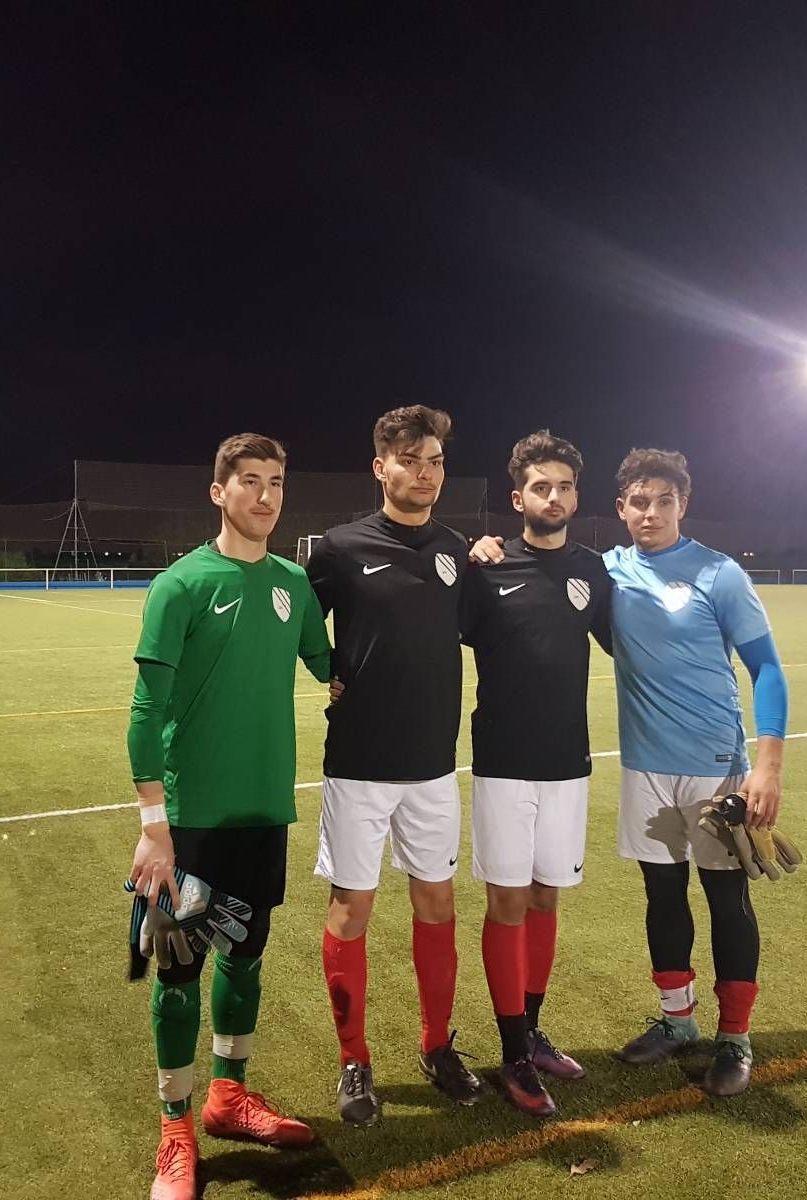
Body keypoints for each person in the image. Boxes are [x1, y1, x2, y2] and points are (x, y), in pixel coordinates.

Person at [127, 433, 333, 1200]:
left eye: (276, 482)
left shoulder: (291, 581)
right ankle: (175, 1129)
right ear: (219, 492)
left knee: (244, 960)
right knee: (180, 974)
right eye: (250, 482)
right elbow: (146, 711)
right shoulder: (181, 584)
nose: (266, 497)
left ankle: (227, 1097)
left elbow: (328, 664)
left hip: (262, 812)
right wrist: (154, 823)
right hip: (194, 821)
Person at [306, 404, 481, 1127]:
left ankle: (437, 1046)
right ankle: (355, 1061)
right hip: (358, 766)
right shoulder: (340, 548)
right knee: (353, 909)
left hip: (434, 765)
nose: (425, 473)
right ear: (380, 467)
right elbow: (285, 621)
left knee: (437, 904)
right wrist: (325, 668)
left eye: (435, 461)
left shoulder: (457, 549)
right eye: (410, 460)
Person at [604, 448, 789, 1098]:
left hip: (716, 769)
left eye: (663, 500)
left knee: (726, 899)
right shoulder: (610, 571)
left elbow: (767, 668)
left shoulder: (720, 573)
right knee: (662, 897)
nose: (649, 512)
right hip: (644, 768)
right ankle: (678, 1023)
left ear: (683, 505)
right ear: (621, 507)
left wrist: (766, 768)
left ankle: (734, 1036)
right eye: (638, 501)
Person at [459, 430, 613, 1117]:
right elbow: (429, 638)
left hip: (567, 763)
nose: (554, 497)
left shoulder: (593, 570)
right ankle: (512, 1052)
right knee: (507, 903)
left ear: (576, 497)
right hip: (502, 762)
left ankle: (533, 1031)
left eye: (565, 486)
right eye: (540, 486)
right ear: (517, 497)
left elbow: (631, 646)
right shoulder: (485, 567)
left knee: (549, 898)